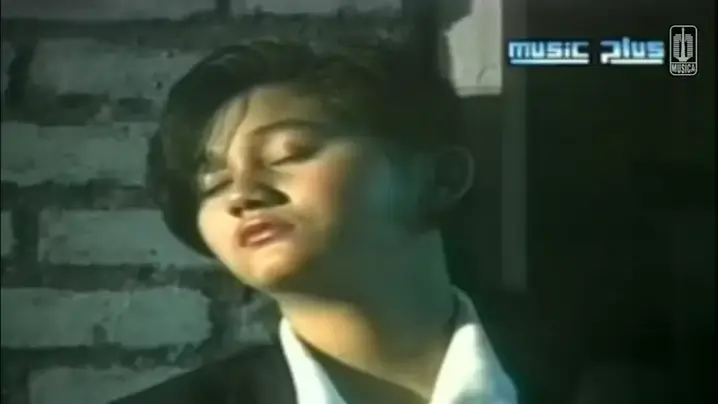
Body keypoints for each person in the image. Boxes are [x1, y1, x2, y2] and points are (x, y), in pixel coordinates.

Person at [113, 37, 517, 404]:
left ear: (441, 178)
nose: (242, 195)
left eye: (288, 154)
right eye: (214, 184)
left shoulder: (554, 367)